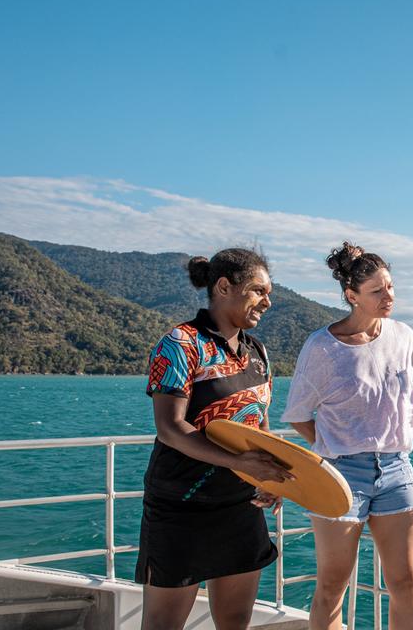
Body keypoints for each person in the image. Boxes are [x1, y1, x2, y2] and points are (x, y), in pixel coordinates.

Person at [281, 242, 413, 630]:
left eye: (391, 287)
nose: (388, 296)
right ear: (351, 295)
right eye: (377, 291)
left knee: (405, 582)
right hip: (341, 473)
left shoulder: (403, 336)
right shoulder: (322, 348)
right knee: (332, 585)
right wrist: (332, 447)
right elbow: (297, 415)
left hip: (396, 470)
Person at [136, 248, 293, 630]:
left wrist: (266, 476)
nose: (268, 302)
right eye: (258, 291)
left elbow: (259, 424)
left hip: (241, 505)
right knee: (162, 624)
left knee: (235, 622)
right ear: (224, 287)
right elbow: (170, 427)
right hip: (181, 506)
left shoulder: (258, 353)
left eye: (269, 293)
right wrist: (241, 463)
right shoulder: (180, 343)